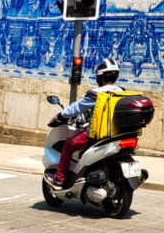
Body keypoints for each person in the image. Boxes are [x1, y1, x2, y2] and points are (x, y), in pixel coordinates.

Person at [49, 57, 124, 189]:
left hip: (97, 135)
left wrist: (60, 116)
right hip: (117, 133)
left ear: (100, 77)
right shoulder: (121, 91)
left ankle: (59, 179)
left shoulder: (96, 94)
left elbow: (76, 108)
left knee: (68, 143)